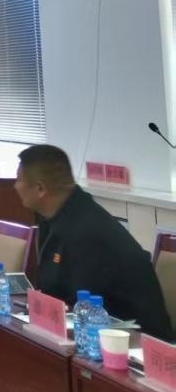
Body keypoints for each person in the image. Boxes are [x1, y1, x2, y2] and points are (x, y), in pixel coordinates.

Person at [15, 144, 173, 339]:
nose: (15, 186)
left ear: (40, 188)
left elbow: (79, 305)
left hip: (135, 342)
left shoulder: (86, 230)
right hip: (98, 334)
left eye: (19, 179)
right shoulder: (60, 216)